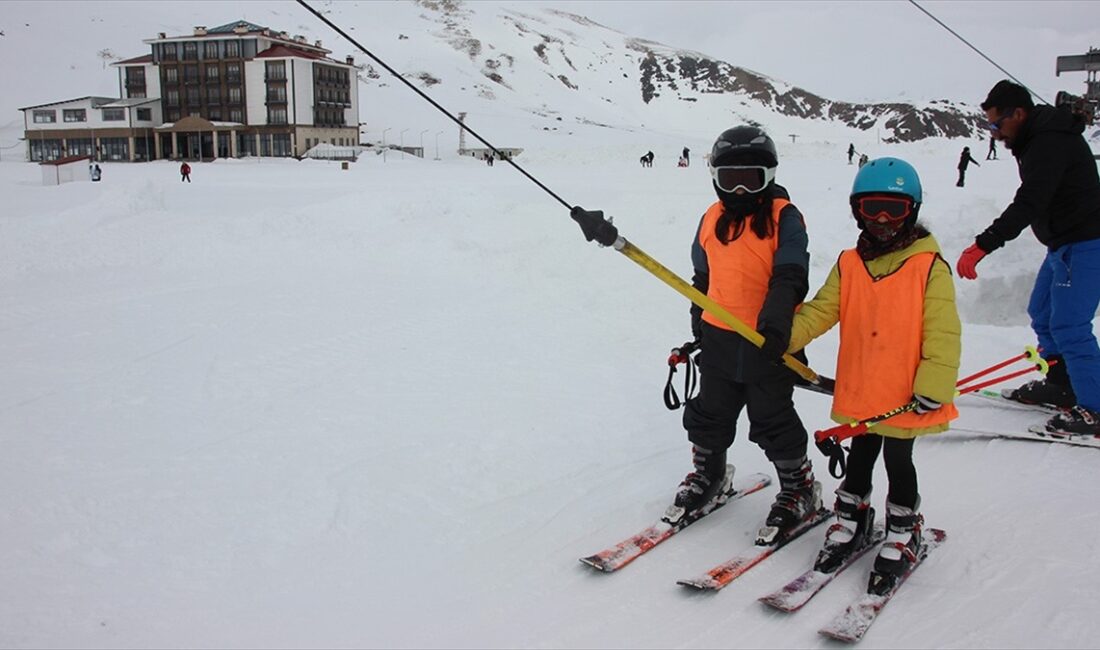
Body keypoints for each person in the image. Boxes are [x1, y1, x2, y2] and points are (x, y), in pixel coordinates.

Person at [788, 157, 960, 594]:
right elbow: (822, 310)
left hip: (905, 391)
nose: (882, 220)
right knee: (862, 454)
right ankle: (853, 518)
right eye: (872, 209)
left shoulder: (929, 266)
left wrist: (935, 384)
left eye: (894, 209)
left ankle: (903, 530)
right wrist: (782, 339)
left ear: (913, 210)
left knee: (899, 460)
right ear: (856, 211)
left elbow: (943, 331)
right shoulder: (849, 264)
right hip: (863, 388)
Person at [676, 125, 820, 543]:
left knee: (772, 418)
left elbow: (790, 274)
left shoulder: (785, 218)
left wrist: (776, 325)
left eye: (750, 178)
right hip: (720, 340)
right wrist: (698, 318)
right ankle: (711, 474)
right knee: (710, 413)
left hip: (768, 344)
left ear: (769, 176)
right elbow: (702, 277)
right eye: (729, 179)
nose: (739, 190)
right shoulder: (710, 218)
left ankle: (799, 488)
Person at [956, 79, 1100, 435]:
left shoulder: (1048, 141)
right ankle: (1063, 384)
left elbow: (1030, 201)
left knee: (1070, 326)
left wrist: (984, 244)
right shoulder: (1038, 136)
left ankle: (1095, 410)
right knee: (1043, 313)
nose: (995, 132)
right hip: (1063, 245)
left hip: (1085, 242)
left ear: (1017, 113)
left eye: (997, 123)